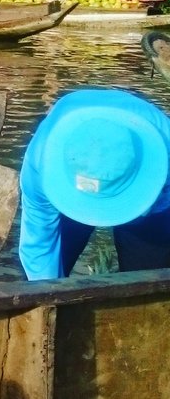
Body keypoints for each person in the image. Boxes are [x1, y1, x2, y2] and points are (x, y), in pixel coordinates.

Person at [18, 88, 170, 280]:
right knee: (46, 278)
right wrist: (45, 299)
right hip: (72, 173)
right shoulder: (41, 168)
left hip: (150, 185)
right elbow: (38, 246)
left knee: (148, 277)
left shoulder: (166, 150)